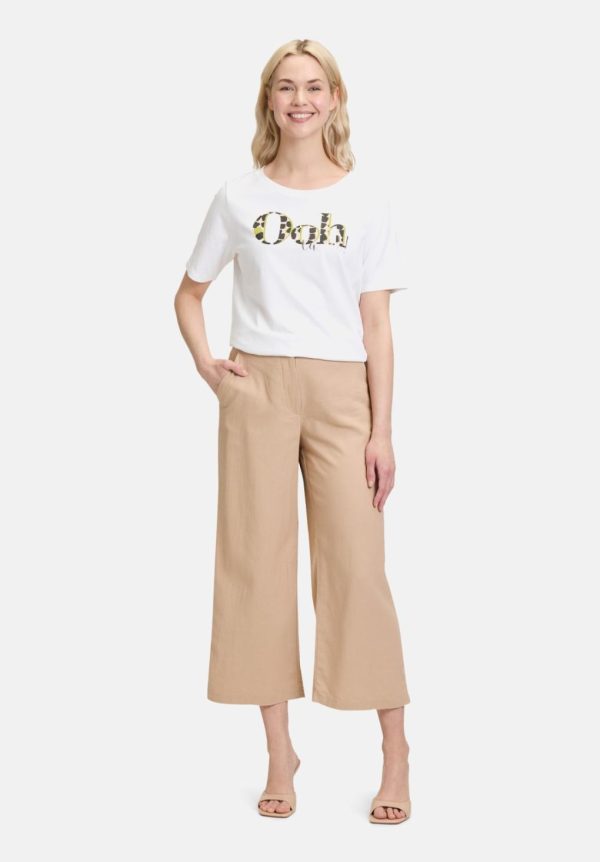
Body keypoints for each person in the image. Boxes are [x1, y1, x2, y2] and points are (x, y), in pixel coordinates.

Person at [174, 38, 412, 825]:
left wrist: (382, 430)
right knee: (255, 569)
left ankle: (395, 753)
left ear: (334, 99)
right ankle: (280, 753)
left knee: (359, 570)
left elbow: (377, 326)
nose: (300, 99)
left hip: (344, 393)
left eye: (313, 86)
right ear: (268, 101)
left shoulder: (367, 200)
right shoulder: (238, 198)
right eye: (286, 87)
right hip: (258, 389)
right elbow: (188, 294)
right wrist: (212, 369)